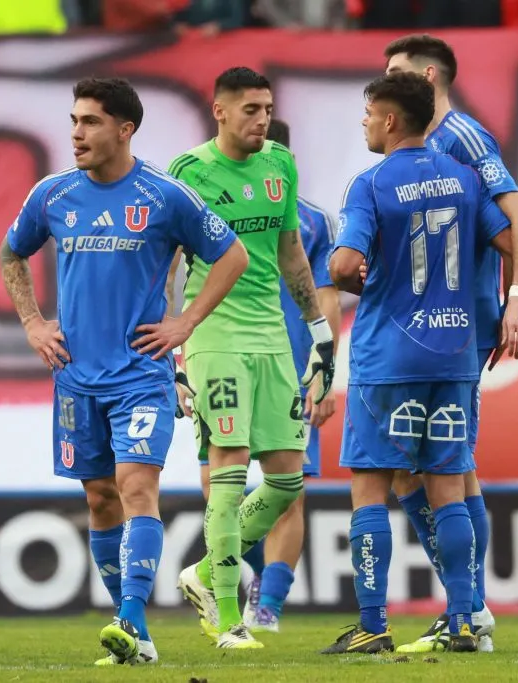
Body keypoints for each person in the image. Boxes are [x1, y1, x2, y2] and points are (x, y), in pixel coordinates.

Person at [0, 77, 248, 666]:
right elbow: (12, 252)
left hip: (141, 374)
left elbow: (231, 255)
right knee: (101, 499)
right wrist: (34, 324)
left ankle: (131, 620)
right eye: (74, 120)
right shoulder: (53, 195)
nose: (76, 133)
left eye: (89, 122)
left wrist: (184, 323)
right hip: (75, 378)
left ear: (124, 129)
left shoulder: (165, 196)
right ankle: (135, 636)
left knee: (137, 488)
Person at [319, 71, 517, 655]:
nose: (363, 123)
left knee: (370, 487)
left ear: (388, 119)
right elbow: (507, 241)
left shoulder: (371, 184)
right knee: (448, 488)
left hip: (388, 356)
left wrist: (362, 269)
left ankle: (373, 623)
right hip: (455, 355)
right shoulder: (464, 178)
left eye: (367, 113)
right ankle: (462, 618)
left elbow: (342, 266)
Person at [167, 67, 335, 650]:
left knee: (289, 479)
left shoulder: (280, 165)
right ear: (219, 110)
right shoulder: (190, 173)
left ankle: (205, 572)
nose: (262, 120)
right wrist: (175, 346)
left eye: (267, 108)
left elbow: (291, 251)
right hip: (214, 337)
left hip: (272, 339)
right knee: (231, 468)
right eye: (250, 110)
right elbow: (171, 261)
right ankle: (228, 620)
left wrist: (318, 329)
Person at [383, 33, 518, 653]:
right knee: (446, 469)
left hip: (457, 329)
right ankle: (469, 608)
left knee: (427, 469)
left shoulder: (464, 138)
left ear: (427, 75)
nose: (384, 84)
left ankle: (468, 608)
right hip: (426, 330)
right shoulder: (418, 144)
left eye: (395, 72)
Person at [238, 118, 342, 633]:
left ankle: (268, 604)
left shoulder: (314, 223)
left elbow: (327, 301)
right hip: (229, 364)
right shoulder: (214, 212)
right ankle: (255, 579)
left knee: (288, 489)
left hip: (292, 375)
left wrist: (323, 372)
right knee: (226, 489)